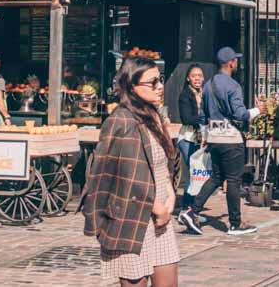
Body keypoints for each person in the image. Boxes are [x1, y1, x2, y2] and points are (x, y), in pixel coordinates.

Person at [84, 57, 179, 287]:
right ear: (132, 87)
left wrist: (170, 193)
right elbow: (115, 175)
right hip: (131, 217)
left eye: (160, 80)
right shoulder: (120, 120)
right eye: (152, 82)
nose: (160, 86)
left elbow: (162, 162)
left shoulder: (155, 116)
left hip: (161, 218)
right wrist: (155, 206)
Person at [178, 47, 265, 236]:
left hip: (214, 139)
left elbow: (202, 115)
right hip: (231, 139)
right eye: (236, 60)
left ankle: (192, 211)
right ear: (231, 63)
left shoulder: (208, 85)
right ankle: (235, 223)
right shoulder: (233, 86)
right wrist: (259, 110)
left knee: (216, 178)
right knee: (234, 180)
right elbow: (240, 114)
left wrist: (206, 136)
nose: (237, 63)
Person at [176, 65, 205, 213]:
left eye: (199, 75)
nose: (197, 78)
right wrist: (204, 119)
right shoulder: (185, 95)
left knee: (197, 174)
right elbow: (186, 118)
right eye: (194, 76)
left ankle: (190, 209)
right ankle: (186, 209)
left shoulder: (205, 94)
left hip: (201, 139)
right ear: (188, 78)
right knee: (193, 174)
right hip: (187, 138)